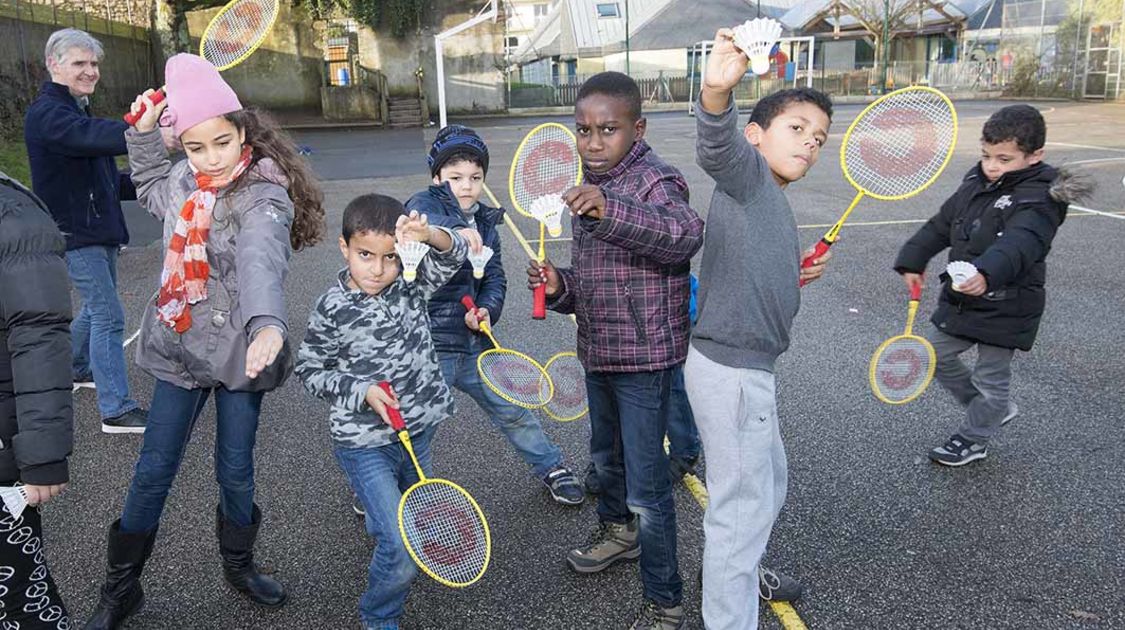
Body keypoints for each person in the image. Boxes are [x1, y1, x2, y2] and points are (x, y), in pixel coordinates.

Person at [83, 53, 325, 629]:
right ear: (184, 149)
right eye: (196, 147)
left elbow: (261, 258)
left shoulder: (263, 194)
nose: (211, 158)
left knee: (235, 468)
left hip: (242, 349)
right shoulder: (183, 181)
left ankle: (238, 566)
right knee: (152, 469)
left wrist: (268, 322)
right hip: (179, 346)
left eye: (222, 142)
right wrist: (142, 139)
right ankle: (122, 588)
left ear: (243, 132)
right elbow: (145, 186)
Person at [527, 71, 704, 630]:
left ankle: (665, 600)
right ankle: (618, 533)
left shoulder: (657, 181)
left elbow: (682, 236)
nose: (594, 142)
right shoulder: (588, 183)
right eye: (583, 130)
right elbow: (600, 280)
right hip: (600, 349)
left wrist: (609, 207)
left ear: (638, 128)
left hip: (647, 361)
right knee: (606, 462)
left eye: (608, 129)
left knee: (649, 489)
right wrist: (562, 288)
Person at [684, 29, 832, 630]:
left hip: (742, 369)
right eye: (796, 129)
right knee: (739, 513)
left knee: (766, 486)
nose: (810, 143)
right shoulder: (746, 178)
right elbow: (716, 146)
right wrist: (717, 91)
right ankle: (730, 607)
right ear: (756, 135)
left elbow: (746, 272)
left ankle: (739, 573)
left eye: (818, 137)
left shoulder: (768, 199)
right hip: (734, 372)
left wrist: (793, 276)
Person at [296, 194, 468, 630]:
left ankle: (386, 527)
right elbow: (310, 369)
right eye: (365, 256)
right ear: (344, 248)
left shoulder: (412, 281)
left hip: (418, 429)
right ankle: (379, 615)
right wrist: (360, 389)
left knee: (408, 508)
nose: (378, 269)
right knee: (400, 542)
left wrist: (427, 235)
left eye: (390, 257)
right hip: (363, 442)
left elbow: (455, 256)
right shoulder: (331, 308)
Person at [894, 104, 1088, 467]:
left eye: (1004, 158)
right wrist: (913, 258)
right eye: (986, 156)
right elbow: (942, 224)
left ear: (1035, 156)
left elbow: (1021, 242)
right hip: (965, 298)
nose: (992, 166)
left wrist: (987, 273)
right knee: (932, 353)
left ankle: (974, 438)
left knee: (991, 378)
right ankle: (988, 411)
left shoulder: (1040, 198)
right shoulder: (976, 183)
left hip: (1008, 303)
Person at [405, 124, 583, 508]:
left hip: (473, 342)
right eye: (455, 177)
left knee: (512, 409)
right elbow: (429, 224)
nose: (466, 186)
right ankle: (387, 489)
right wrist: (455, 231)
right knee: (417, 425)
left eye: (475, 177)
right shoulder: (423, 207)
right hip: (428, 346)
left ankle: (551, 466)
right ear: (436, 178)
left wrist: (489, 308)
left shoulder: (486, 222)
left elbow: (495, 277)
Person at [24, 28, 147, 433]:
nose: (90, 71)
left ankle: (77, 368)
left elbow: (107, 176)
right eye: (79, 63)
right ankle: (116, 410)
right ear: (53, 65)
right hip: (75, 233)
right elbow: (89, 138)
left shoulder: (78, 109)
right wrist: (143, 134)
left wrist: (156, 179)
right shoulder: (49, 113)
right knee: (109, 314)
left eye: (93, 64)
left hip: (98, 228)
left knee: (97, 308)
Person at [0, 170, 74, 629]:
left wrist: (43, 457)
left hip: (4, 440)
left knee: (20, 597)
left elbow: (40, 336)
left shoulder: (12, 216)